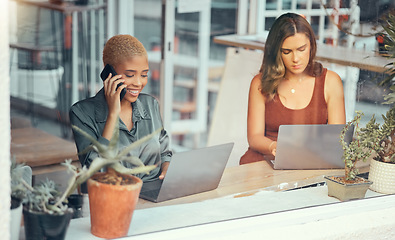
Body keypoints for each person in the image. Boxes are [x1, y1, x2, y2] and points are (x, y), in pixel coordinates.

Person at [240, 13, 346, 165]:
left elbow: (337, 139)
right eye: (287, 52)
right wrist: (273, 146)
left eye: (301, 49)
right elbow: (254, 137)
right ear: (276, 52)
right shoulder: (260, 83)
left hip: (312, 162)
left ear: (311, 45)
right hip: (265, 161)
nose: (295, 59)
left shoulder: (330, 82)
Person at [70, 34, 172, 181]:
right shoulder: (81, 113)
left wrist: (167, 168)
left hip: (154, 193)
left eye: (144, 75)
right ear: (108, 72)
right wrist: (113, 114)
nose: (138, 83)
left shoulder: (151, 105)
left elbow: (164, 152)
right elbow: (94, 167)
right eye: (130, 75)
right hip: (115, 195)